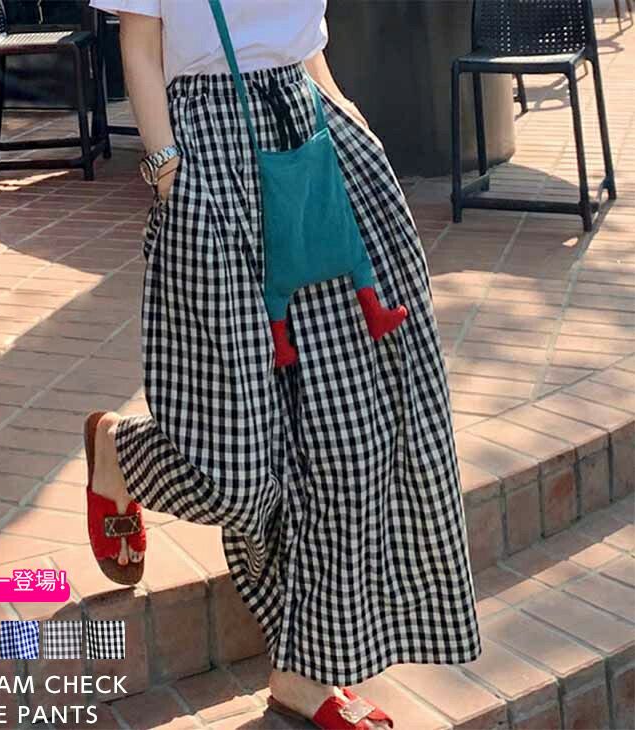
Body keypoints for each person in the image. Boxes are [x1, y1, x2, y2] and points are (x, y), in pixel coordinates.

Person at [84, 0, 482, 726]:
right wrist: (169, 173)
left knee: (353, 439)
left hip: (317, 149)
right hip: (209, 164)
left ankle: (305, 677)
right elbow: (138, 47)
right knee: (240, 472)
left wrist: (349, 118)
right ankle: (121, 453)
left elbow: (304, 44)